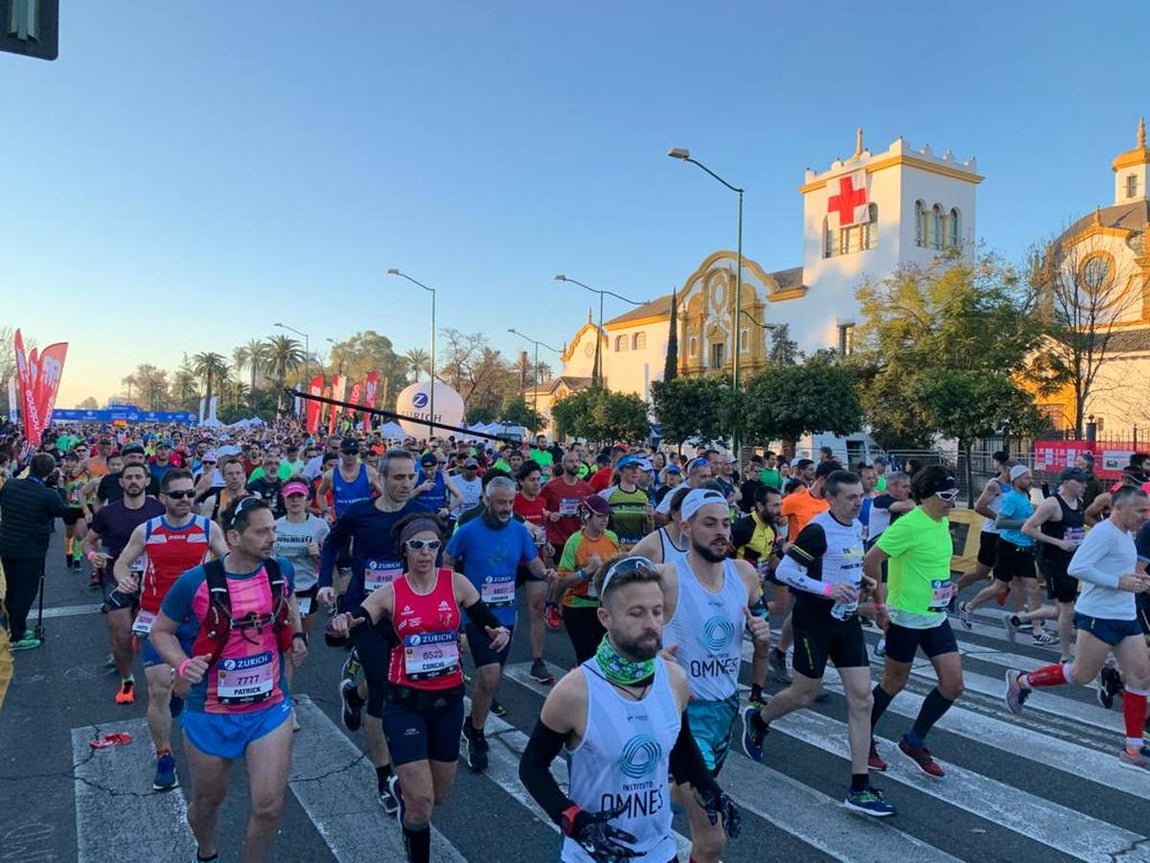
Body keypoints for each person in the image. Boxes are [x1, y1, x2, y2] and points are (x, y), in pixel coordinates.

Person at [518, 556, 741, 863]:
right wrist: (573, 819)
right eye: (636, 614)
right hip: (595, 855)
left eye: (657, 611)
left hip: (660, 852)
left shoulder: (674, 679)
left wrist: (708, 787)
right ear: (605, 617)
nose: (651, 624)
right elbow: (532, 766)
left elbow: (681, 748)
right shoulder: (575, 691)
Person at [328, 514, 511, 863]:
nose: (425, 552)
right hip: (405, 703)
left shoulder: (457, 584)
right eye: (417, 545)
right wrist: (341, 624)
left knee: (438, 796)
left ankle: (400, 789)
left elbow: (489, 621)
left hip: (449, 701)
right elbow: (355, 621)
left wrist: (498, 632)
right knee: (421, 807)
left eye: (432, 545)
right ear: (405, 549)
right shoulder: (389, 593)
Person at [150, 497, 308, 863]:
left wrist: (296, 638)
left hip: (269, 707)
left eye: (274, 529)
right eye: (263, 531)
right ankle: (206, 849)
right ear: (234, 537)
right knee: (208, 801)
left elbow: (290, 605)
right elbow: (161, 631)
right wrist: (182, 662)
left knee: (269, 805)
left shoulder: (280, 569)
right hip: (210, 710)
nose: (273, 538)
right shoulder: (196, 581)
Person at [742, 470, 894, 816]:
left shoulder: (856, 527)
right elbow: (785, 573)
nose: (859, 502)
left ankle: (859, 787)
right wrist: (827, 590)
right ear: (831, 498)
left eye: (860, 496)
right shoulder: (817, 530)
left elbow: (843, 565)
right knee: (804, 693)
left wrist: (861, 579)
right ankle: (760, 720)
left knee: (862, 699)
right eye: (851, 498)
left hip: (847, 620)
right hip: (815, 621)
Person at [659, 488, 771, 863]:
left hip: (725, 710)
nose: (722, 531)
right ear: (686, 527)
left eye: (725, 523)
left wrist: (762, 633)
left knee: (679, 807)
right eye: (709, 524)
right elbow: (613, 602)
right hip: (684, 717)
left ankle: (646, 799)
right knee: (712, 838)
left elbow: (760, 615)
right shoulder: (668, 578)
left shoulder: (744, 573)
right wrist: (648, 651)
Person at [1005, 485, 1150, 768]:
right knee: (1081, 674)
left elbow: (1117, 569)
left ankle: (1134, 748)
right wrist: (1118, 582)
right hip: (1098, 616)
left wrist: (1137, 581)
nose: (1145, 516)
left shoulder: (1125, 533)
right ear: (1118, 508)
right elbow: (1078, 567)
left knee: (1140, 678)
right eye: (1140, 510)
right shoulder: (1104, 532)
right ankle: (1022, 681)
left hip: (1125, 615)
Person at [318, 447, 428, 812]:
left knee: (397, 679)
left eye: (411, 477)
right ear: (379, 479)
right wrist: (324, 582)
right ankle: (385, 777)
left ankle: (354, 695)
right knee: (383, 688)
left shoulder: (420, 515)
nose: (406, 483)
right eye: (398, 477)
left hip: (404, 612)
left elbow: (435, 560)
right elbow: (332, 542)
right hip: (364, 613)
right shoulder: (359, 513)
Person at [114, 468, 229, 790]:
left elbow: (230, 562)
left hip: (198, 620)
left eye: (190, 494)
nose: (185, 500)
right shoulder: (147, 530)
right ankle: (164, 755)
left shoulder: (208, 528)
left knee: (184, 685)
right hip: (156, 618)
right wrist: (123, 576)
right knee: (158, 688)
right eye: (177, 495)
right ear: (162, 498)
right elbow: (122, 561)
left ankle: (180, 693)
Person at [444, 475, 556, 772]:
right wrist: (453, 598)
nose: (507, 508)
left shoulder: (519, 532)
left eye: (510, 502)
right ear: (486, 501)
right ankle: (478, 734)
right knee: (491, 675)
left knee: (490, 680)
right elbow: (446, 561)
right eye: (501, 503)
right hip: (476, 615)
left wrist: (546, 574)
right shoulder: (468, 532)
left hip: (507, 615)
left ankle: (473, 724)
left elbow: (532, 562)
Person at [862, 466, 964, 779]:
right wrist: (880, 605)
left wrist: (947, 585)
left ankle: (913, 740)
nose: (952, 502)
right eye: (946, 496)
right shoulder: (908, 525)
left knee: (953, 684)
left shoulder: (942, 521)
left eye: (954, 495)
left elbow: (930, 564)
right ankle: (863, 738)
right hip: (904, 618)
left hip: (935, 617)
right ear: (926, 496)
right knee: (894, 683)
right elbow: (871, 561)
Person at [83, 462, 165, 703]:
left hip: (153, 578)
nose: (133, 481)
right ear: (121, 482)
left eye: (138, 477)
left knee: (159, 631)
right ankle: (127, 679)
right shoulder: (108, 513)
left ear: (147, 481)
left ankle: (162, 678)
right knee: (120, 633)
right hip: (116, 577)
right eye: (128, 477)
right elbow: (89, 541)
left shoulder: (159, 509)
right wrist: (92, 555)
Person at [1005, 466, 1089, 660]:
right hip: (1053, 560)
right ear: (1066, 483)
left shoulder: (1080, 502)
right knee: (1067, 610)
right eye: (1080, 482)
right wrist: (1059, 542)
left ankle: (1019, 619)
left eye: (1084, 481)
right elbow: (1028, 528)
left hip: (1071, 560)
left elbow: (1075, 529)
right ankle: (1066, 656)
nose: (1084, 485)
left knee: (1061, 610)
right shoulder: (1052, 504)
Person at [959, 465, 1050, 641]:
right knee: (999, 586)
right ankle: (968, 606)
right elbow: (1000, 523)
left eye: (1030, 478)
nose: (1030, 481)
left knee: (1034, 588)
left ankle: (1038, 630)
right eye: (1027, 478)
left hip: (1025, 548)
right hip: (1008, 547)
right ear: (1016, 480)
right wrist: (1026, 523)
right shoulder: (1010, 498)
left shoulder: (1025, 496)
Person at [273, 477, 329, 729]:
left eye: (300, 496)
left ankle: (281, 692)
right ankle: (284, 704)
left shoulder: (319, 526)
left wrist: (317, 556)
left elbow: (328, 564)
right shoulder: (274, 526)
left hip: (307, 592)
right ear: (283, 500)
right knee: (284, 650)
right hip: (280, 596)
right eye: (290, 496)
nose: (295, 501)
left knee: (298, 647)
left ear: (308, 500)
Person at [0, 453, 71, 650]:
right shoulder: (47, 494)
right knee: (26, 591)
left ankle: (13, 628)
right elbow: (63, 510)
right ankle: (17, 635)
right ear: (49, 473)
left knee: (13, 589)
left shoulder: (11, 484)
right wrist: (60, 489)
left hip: (7, 545)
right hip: (30, 550)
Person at [730, 484, 784, 707]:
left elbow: (771, 560)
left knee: (763, 644)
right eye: (775, 505)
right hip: (733, 598)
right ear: (760, 505)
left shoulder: (772, 529)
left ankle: (756, 694)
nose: (779, 509)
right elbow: (722, 558)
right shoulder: (742, 528)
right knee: (728, 647)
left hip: (757, 597)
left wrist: (791, 576)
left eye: (780, 504)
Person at [552, 495, 619, 663]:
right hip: (578, 605)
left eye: (607, 515)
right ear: (587, 516)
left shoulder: (612, 537)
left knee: (604, 655)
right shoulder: (575, 541)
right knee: (587, 656)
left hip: (603, 605)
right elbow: (561, 579)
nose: (604, 520)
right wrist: (587, 571)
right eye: (600, 516)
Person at [541, 449, 594, 629]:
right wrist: (549, 514)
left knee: (570, 577)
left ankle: (561, 605)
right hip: (556, 536)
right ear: (563, 465)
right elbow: (539, 507)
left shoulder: (585, 487)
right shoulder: (551, 486)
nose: (575, 465)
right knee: (557, 577)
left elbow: (590, 509)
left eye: (577, 462)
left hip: (576, 538)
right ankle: (552, 607)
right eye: (571, 462)